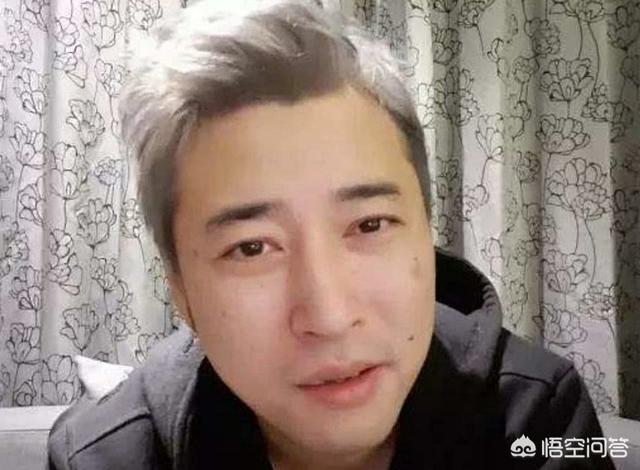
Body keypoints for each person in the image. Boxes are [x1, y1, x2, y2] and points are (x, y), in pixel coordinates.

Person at [47, 1, 614, 469]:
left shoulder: (538, 422)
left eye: (369, 224)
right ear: (180, 290)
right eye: (251, 248)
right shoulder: (103, 456)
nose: (330, 315)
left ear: (426, 232)